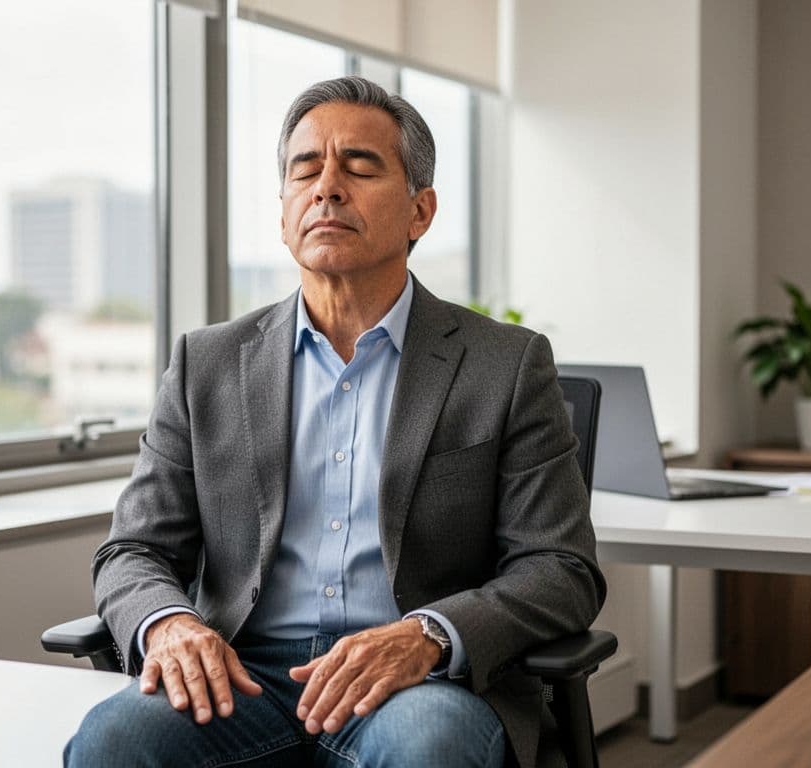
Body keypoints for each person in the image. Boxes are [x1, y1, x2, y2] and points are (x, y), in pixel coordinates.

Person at [65, 76, 604, 768]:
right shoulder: (207, 363)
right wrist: (168, 625)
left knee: (430, 750)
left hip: (415, 681)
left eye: (359, 166)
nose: (326, 186)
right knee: (115, 741)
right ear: (286, 210)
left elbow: (560, 567)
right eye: (304, 169)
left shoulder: (504, 364)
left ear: (420, 211)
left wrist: (430, 635)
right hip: (243, 674)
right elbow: (131, 551)